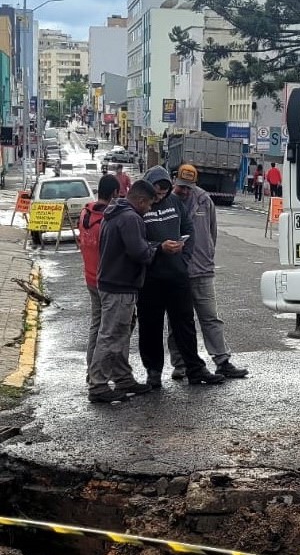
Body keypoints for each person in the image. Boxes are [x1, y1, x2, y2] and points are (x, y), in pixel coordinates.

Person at [138, 166, 225, 387]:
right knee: (151, 326)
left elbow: (189, 230)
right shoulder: (141, 206)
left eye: (163, 192)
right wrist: (159, 248)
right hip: (150, 278)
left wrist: (184, 258)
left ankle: (195, 369)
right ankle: (154, 372)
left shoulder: (175, 203)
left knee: (185, 324)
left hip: (177, 274)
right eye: (156, 192)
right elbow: (135, 241)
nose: (160, 196)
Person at [167, 164, 248, 380]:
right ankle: (179, 364)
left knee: (210, 318)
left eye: (189, 187)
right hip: (178, 272)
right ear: (175, 181)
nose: (185, 191)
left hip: (202, 269)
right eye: (181, 186)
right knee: (177, 321)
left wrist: (208, 255)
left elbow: (212, 232)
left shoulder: (204, 200)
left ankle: (222, 361)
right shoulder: (168, 202)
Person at [88, 180, 165, 404]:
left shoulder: (114, 212)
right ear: (140, 200)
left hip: (111, 281)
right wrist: (156, 249)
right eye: (149, 204)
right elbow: (139, 252)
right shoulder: (131, 218)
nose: (149, 209)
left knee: (120, 333)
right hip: (120, 284)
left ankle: (122, 378)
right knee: (111, 334)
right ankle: (98, 384)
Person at [77, 174, 120, 384]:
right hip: (105, 280)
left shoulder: (85, 213)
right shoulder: (107, 220)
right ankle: (100, 371)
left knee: (96, 324)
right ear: (114, 193)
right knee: (108, 329)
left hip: (90, 277)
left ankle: (90, 368)